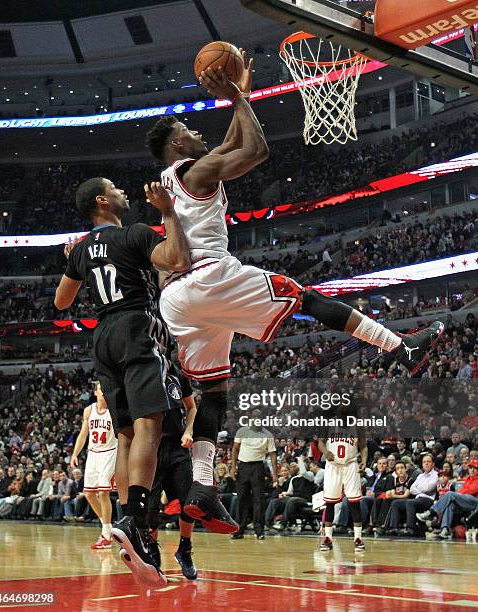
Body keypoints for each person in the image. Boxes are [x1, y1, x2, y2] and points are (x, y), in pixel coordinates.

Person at [145, 55, 443, 534]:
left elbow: (228, 143)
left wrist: (240, 95)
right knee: (306, 299)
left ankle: (201, 486)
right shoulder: (195, 170)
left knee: (215, 392)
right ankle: (401, 347)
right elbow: (255, 150)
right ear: (178, 142)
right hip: (209, 278)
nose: (199, 135)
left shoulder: (170, 181)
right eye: (189, 131)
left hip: (176, 299)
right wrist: (238, 96)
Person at [54, 178, 189, 586]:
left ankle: (135, 529)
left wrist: (74, 262)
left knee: (126, 433)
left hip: (103, 336)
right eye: (115, 189)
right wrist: (168, 212)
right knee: (151, 424)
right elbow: (177, 259)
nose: (124, 193)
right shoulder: (134, 234)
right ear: (102, 200)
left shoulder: (80, 250)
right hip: (136, 324)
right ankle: (135, 520)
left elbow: (62, 302)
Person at [145, 368, 198, 580]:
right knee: (150, 510)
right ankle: (152, 550)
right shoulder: (142, 373)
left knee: (189, 503)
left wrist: (189, 431)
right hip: (150, 447)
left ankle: (185, 549)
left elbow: (192, 408)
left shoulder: (178, 376)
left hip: (177, 447)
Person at [70, 382, 118, 549]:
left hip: (110, 452)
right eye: (101, 389)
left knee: (103, 492)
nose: (104, 392)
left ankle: (106, 534)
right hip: (93, 454)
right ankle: (107, 526)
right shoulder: (89, 410)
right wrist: (75, 454)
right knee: (89, 494)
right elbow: (84, 434)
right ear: (96, 392)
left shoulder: (114, 410)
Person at [230, 410, 277, 539]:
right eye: (254, 416)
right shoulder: (242, 431)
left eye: (259, 416)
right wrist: (233, 466)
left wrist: (275, 474)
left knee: (259, 500)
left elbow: (273, 455)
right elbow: (235, 448)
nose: (257, 418)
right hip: (243, 466)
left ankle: (259, 530)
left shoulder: (268, 434)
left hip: (258, 467)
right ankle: (239, 530)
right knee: (241, 499)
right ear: (250, 418)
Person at [318, 433, 367, 551]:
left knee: (354, 502)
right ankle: (328, 538)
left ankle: (358, 538)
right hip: (333, 466)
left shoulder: (356, 426)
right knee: (330, 503)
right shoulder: (329, 423)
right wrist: (325, 452)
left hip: (351, 464)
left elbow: (363, 445)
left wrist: (364, 460)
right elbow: (320, 442)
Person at [417, 458, 478, 539]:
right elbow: (462, 491)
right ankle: (445, 529)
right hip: (465, 501)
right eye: (470, 468)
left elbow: (471, 490)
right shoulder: (468, 479)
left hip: (475, 503)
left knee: (450, 494)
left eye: (475, 468)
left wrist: (457, 495)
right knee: (450, 504)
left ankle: (431, 513)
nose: (472, 470)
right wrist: (458, 495)